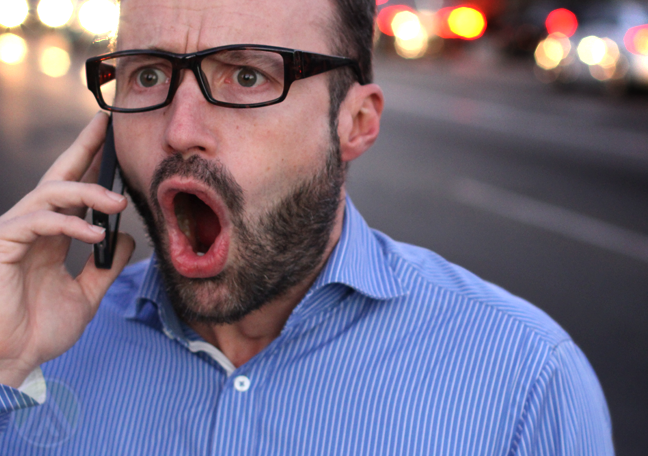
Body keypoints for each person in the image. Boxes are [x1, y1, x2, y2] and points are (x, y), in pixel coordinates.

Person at [0, 0, 614, 453]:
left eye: (247, 76)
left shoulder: (527, 383)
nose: (179, 129)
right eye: (149, 76)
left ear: (355, 123)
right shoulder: (39, 348)